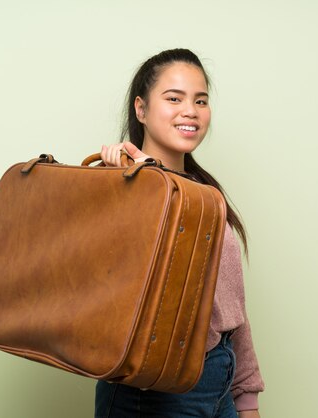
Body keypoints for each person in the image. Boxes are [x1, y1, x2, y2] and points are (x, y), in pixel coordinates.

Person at [95, 48, 265, 418]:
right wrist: (139, 182)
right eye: (174, 98)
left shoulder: (206, 195)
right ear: (141, 109)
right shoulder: (121, 186)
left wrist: (246, 396)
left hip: (217, 378)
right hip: (154, 390)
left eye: (200, 100)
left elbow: (230, 310)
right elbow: (115, 296)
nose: (191, 110)